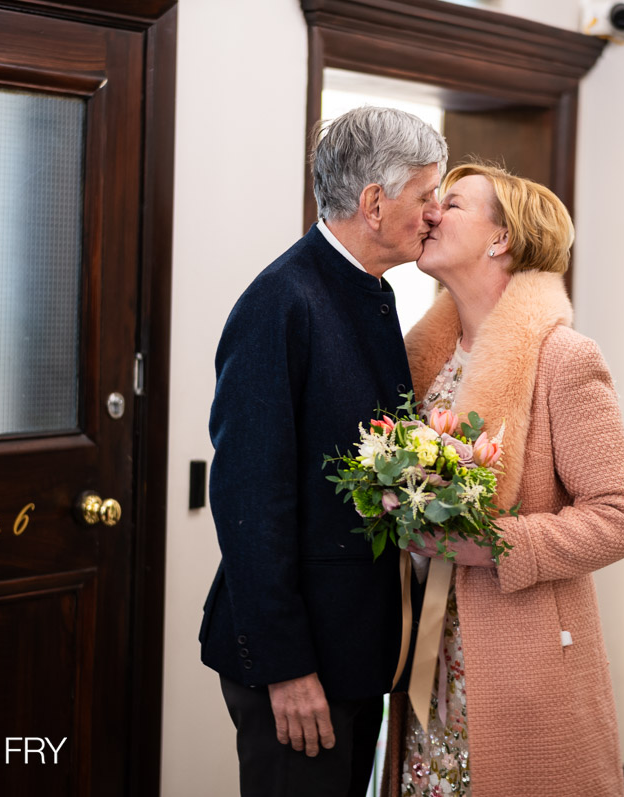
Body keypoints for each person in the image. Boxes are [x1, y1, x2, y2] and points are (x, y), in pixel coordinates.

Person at [200, 106, 447, 797]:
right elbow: (250, 498)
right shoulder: (282, 301)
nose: (436, 213)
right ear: (374, 203)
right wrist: (286, 666)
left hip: (353, 648)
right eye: (427, 195)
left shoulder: (371, 292)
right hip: (298, 660)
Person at [382, 163, 624, 796]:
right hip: (420, 650)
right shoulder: (423, 358)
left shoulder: (565, 359)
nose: (432, 214)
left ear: (501, 238)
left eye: (453, 204)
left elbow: (622, 517)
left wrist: (496, 545)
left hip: (517, 656)